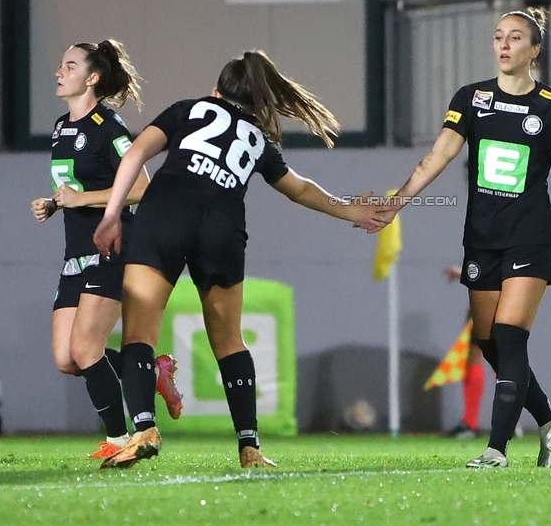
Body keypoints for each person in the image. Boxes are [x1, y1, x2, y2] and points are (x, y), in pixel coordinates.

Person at [93, 50, 389, 469]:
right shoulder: (258, 139)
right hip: (222, 227)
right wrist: (350, 209)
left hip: (167, 212)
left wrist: (111, 215)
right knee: (229, 341)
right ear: (256, 102)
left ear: (216, 92)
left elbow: (136, 154)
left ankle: (144, 429)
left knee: (140, 332)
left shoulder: (189, 109)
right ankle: (250, 447)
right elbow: (299, 188)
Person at [377, 8, 551, 468]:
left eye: (515, 38)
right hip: (482, 238)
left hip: (532, 238)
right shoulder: (472, 98)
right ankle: (547, 415)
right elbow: (437, 156)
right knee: (488, 343)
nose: (504, 45)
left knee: (509, 336)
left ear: (534, 50)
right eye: (499, 37)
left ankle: (495, 449)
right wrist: (399, 201)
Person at [30, 39, 183, 459]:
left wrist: (81, 200)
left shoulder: (108, 125)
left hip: (112, 248)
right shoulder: (62, 126)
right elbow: (76, 188)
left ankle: (119, 439)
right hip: (74, 252)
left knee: (85, 350)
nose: (59, 72)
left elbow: (139, 188)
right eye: (60, 65)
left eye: (70, 65)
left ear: (92, 78)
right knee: (67, 359)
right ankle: (153, 372)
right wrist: (55, 201)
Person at [442, 265, 485, 440]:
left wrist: (464, 273)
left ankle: (470, 423)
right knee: (502, 359)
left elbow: (491, 268)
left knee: (476, 358)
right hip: (497, 301)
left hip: (488, 301)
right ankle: (512, 423)